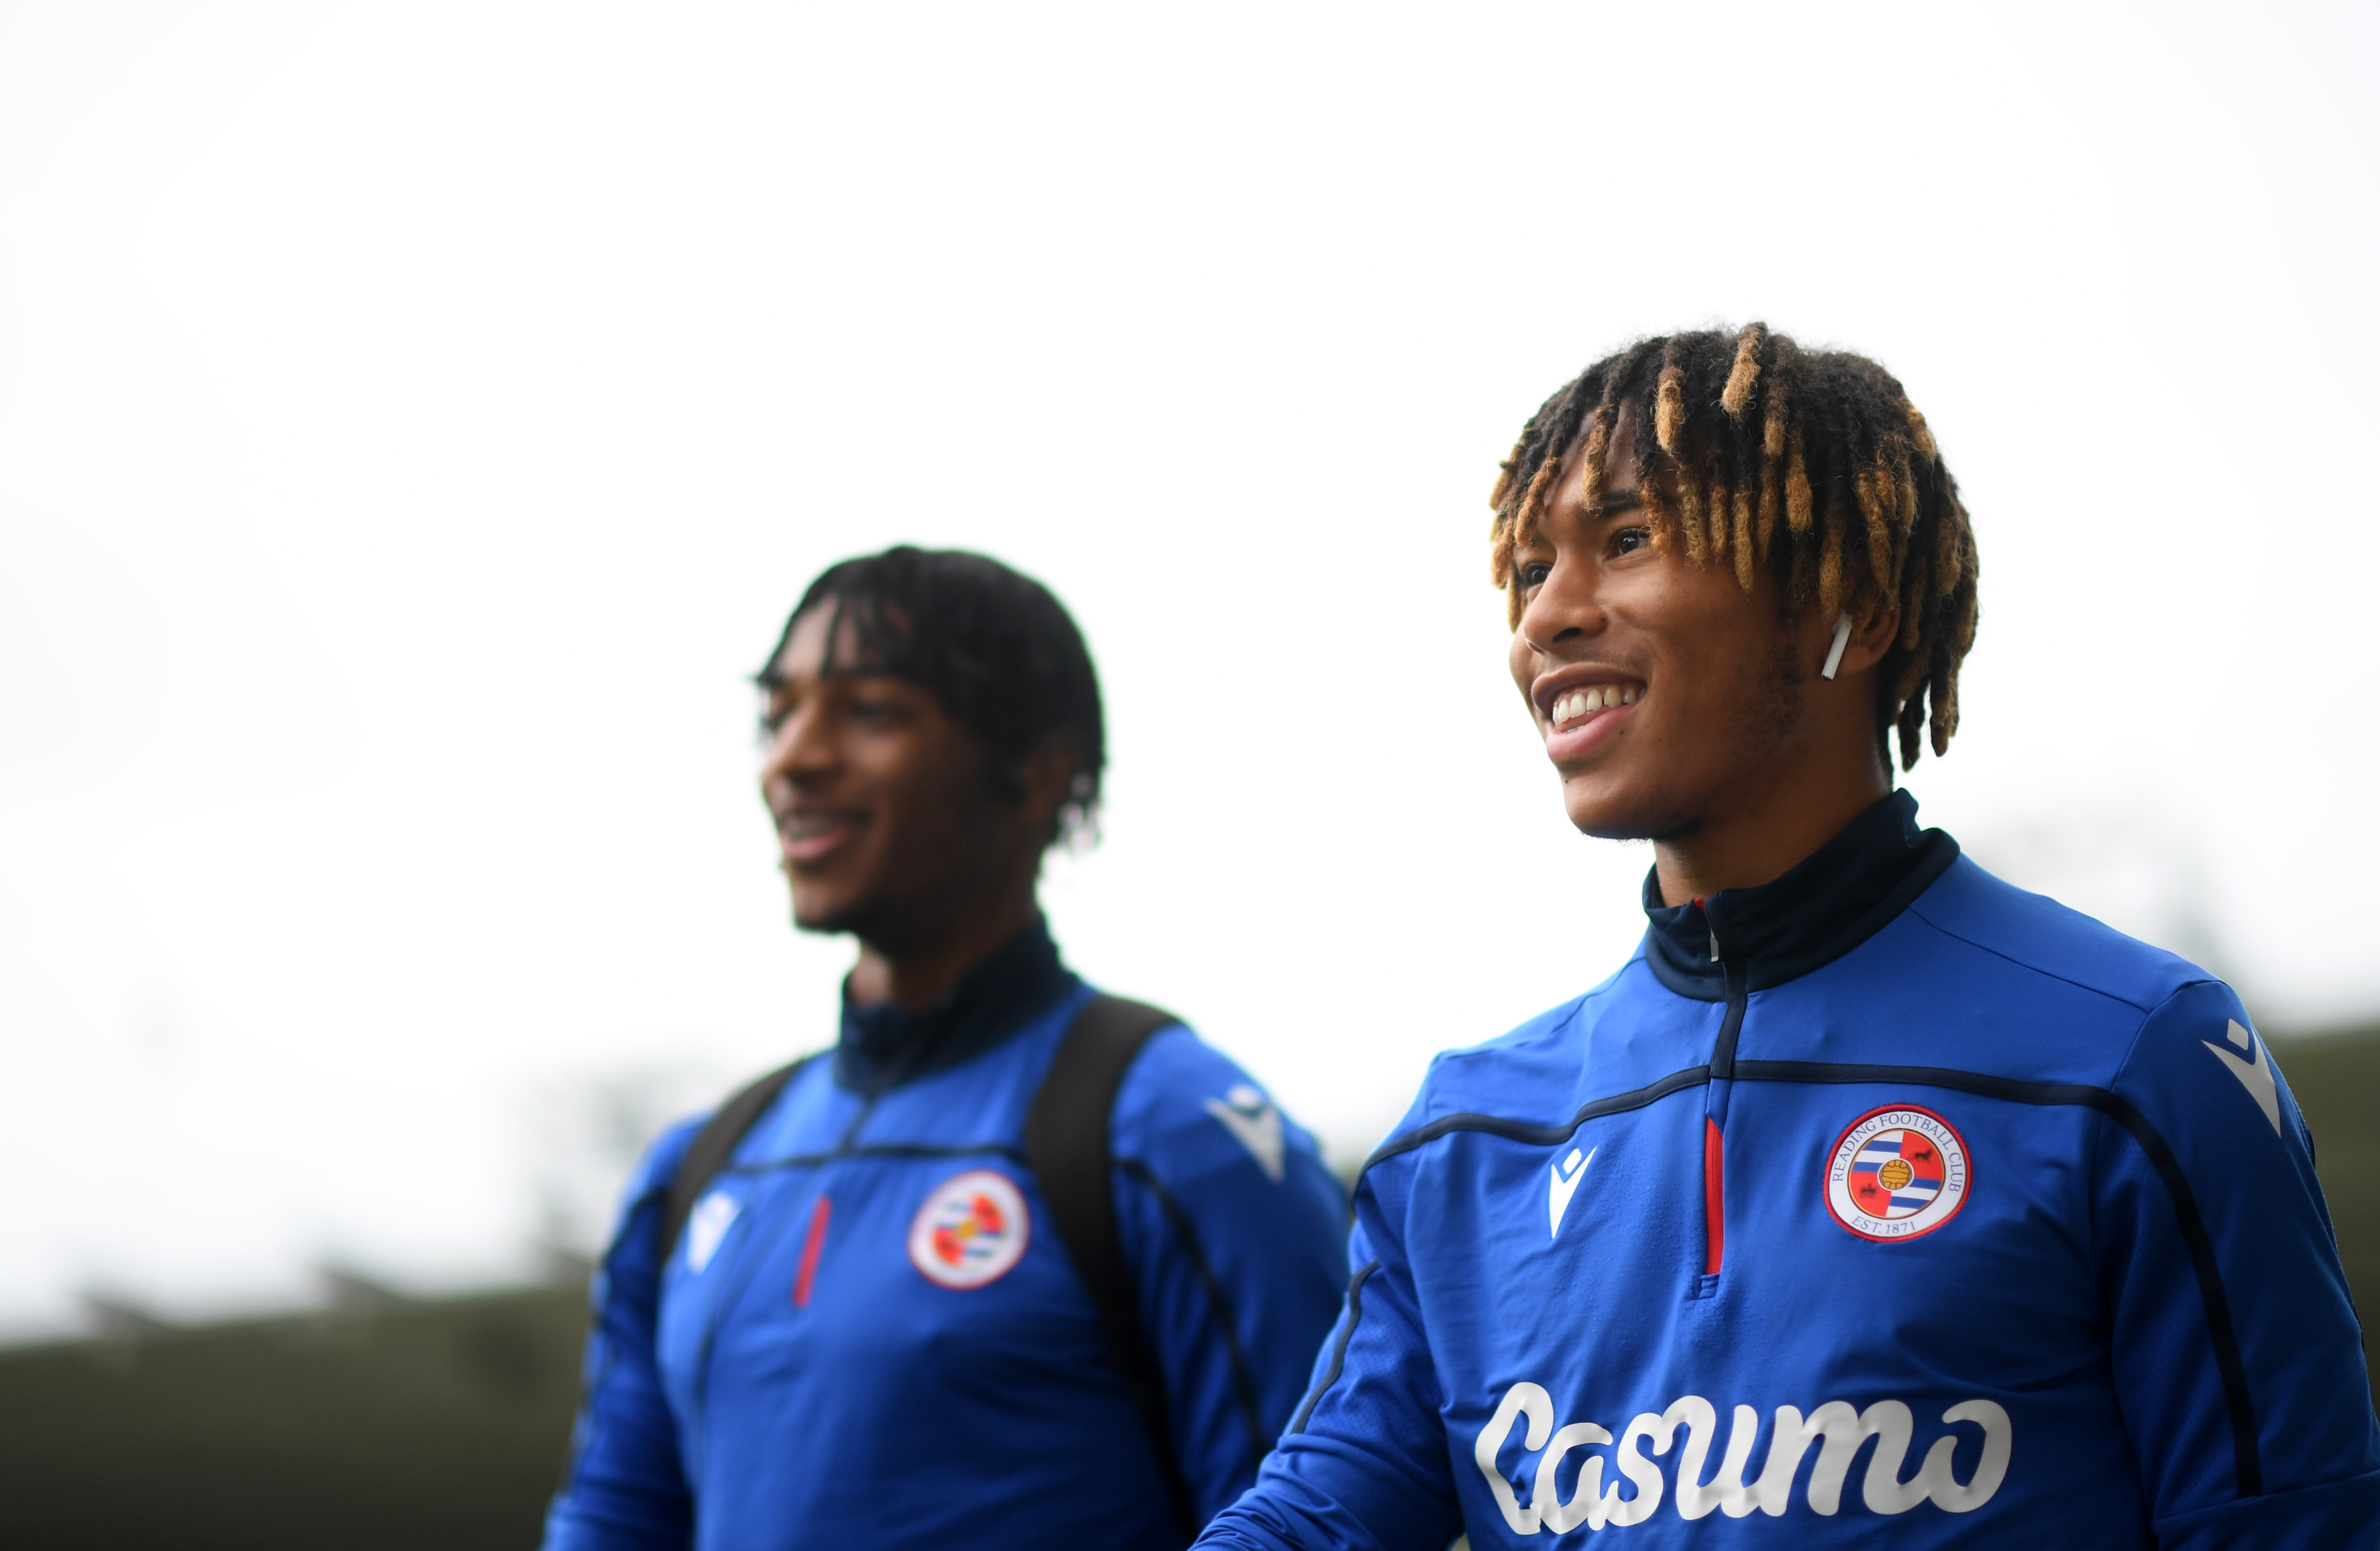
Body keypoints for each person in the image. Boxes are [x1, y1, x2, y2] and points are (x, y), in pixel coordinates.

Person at [1199, 327, 2380, 1548]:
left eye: (1624, 541)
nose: (1545, 619)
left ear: (1850, 612)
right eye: (1528, 570)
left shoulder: (2138, 1060)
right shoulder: (1464, 1135)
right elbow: (1307, 1519)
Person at [543, 547, 1350, 1551]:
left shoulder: (1174, 1130)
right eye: (778, 713)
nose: (794, 757)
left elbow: (1330, 1523)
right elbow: (614, 1519)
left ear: (1034, 771)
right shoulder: (693, 1172)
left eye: (868, 710)